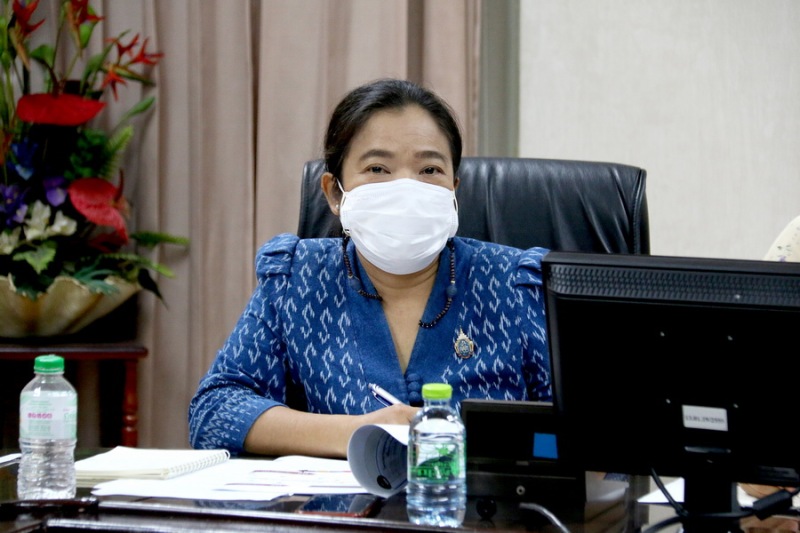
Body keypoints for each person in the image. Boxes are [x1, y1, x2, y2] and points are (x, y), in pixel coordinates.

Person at [188, 78, 551, 458]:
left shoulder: (513, 285)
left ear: (453, 189)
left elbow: (584, 426)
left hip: (484, 497)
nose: (407, 189)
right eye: (378, 168)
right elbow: (214, 412)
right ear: (334, 192)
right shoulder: (297, 279)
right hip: (338, 498)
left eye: (430, 170)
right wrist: (359, 432)